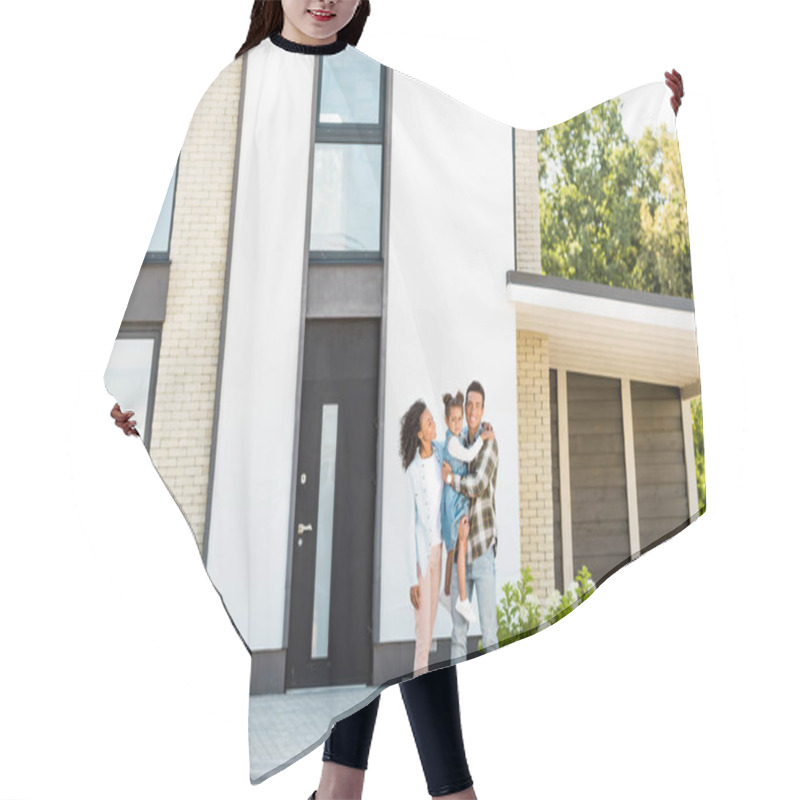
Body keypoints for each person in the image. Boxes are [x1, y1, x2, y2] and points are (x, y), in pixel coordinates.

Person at [441, 381, 499, 660]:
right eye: (470, 405)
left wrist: (451, 479)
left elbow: (476, 485)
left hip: (482, 548)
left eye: (478, 405)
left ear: (483, 409)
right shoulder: (458, 439)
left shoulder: (489, 444)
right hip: (461, 552)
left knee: (489, 636)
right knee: (458, 636)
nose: (473, 410)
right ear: (464, 410)